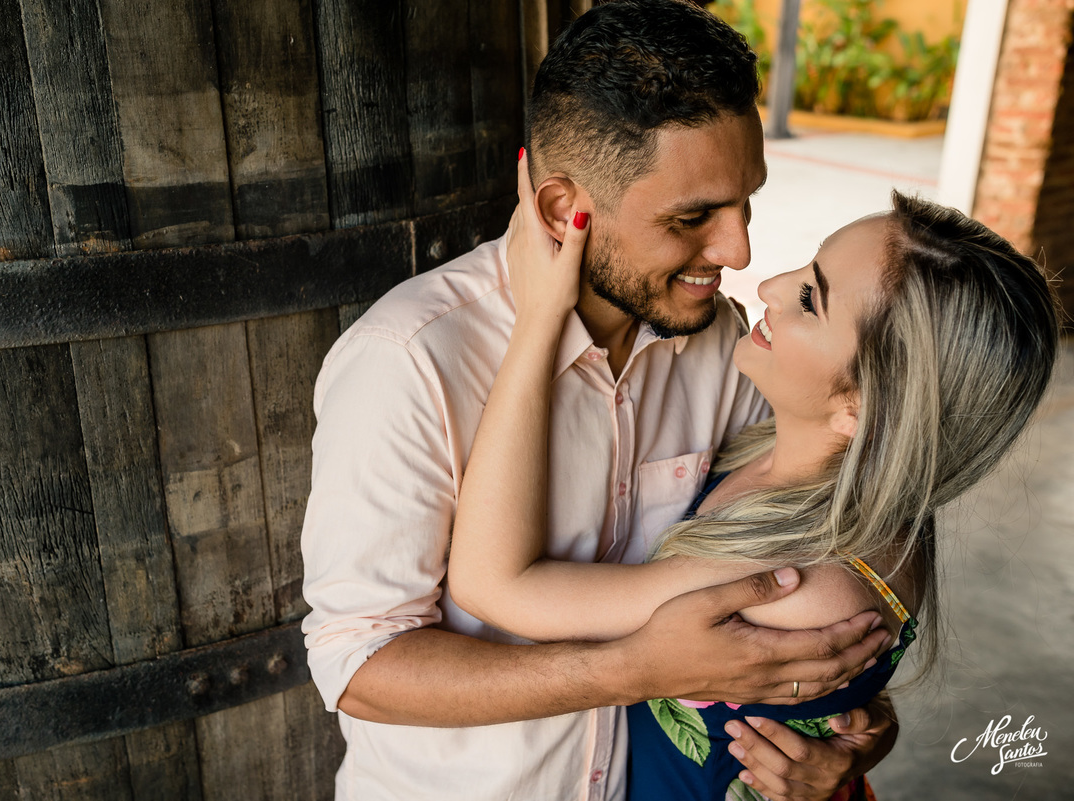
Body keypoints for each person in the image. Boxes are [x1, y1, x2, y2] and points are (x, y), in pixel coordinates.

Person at [300, 2, 896, 799]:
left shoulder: (728, 348)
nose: (739, 250)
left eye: (744, 201)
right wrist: (631, 670)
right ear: (560, 209)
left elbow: (801, 553)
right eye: (693, 217)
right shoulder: (407, 363)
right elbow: (361, 667)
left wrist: (849, 729)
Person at [447, 155, 1060, 800]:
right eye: (807, 264)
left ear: (861, 406)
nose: (767, 286)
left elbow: (494, 585)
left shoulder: (788, 584)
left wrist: (541, 317)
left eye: (809, 300)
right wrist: (868, 727)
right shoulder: (830, 471)